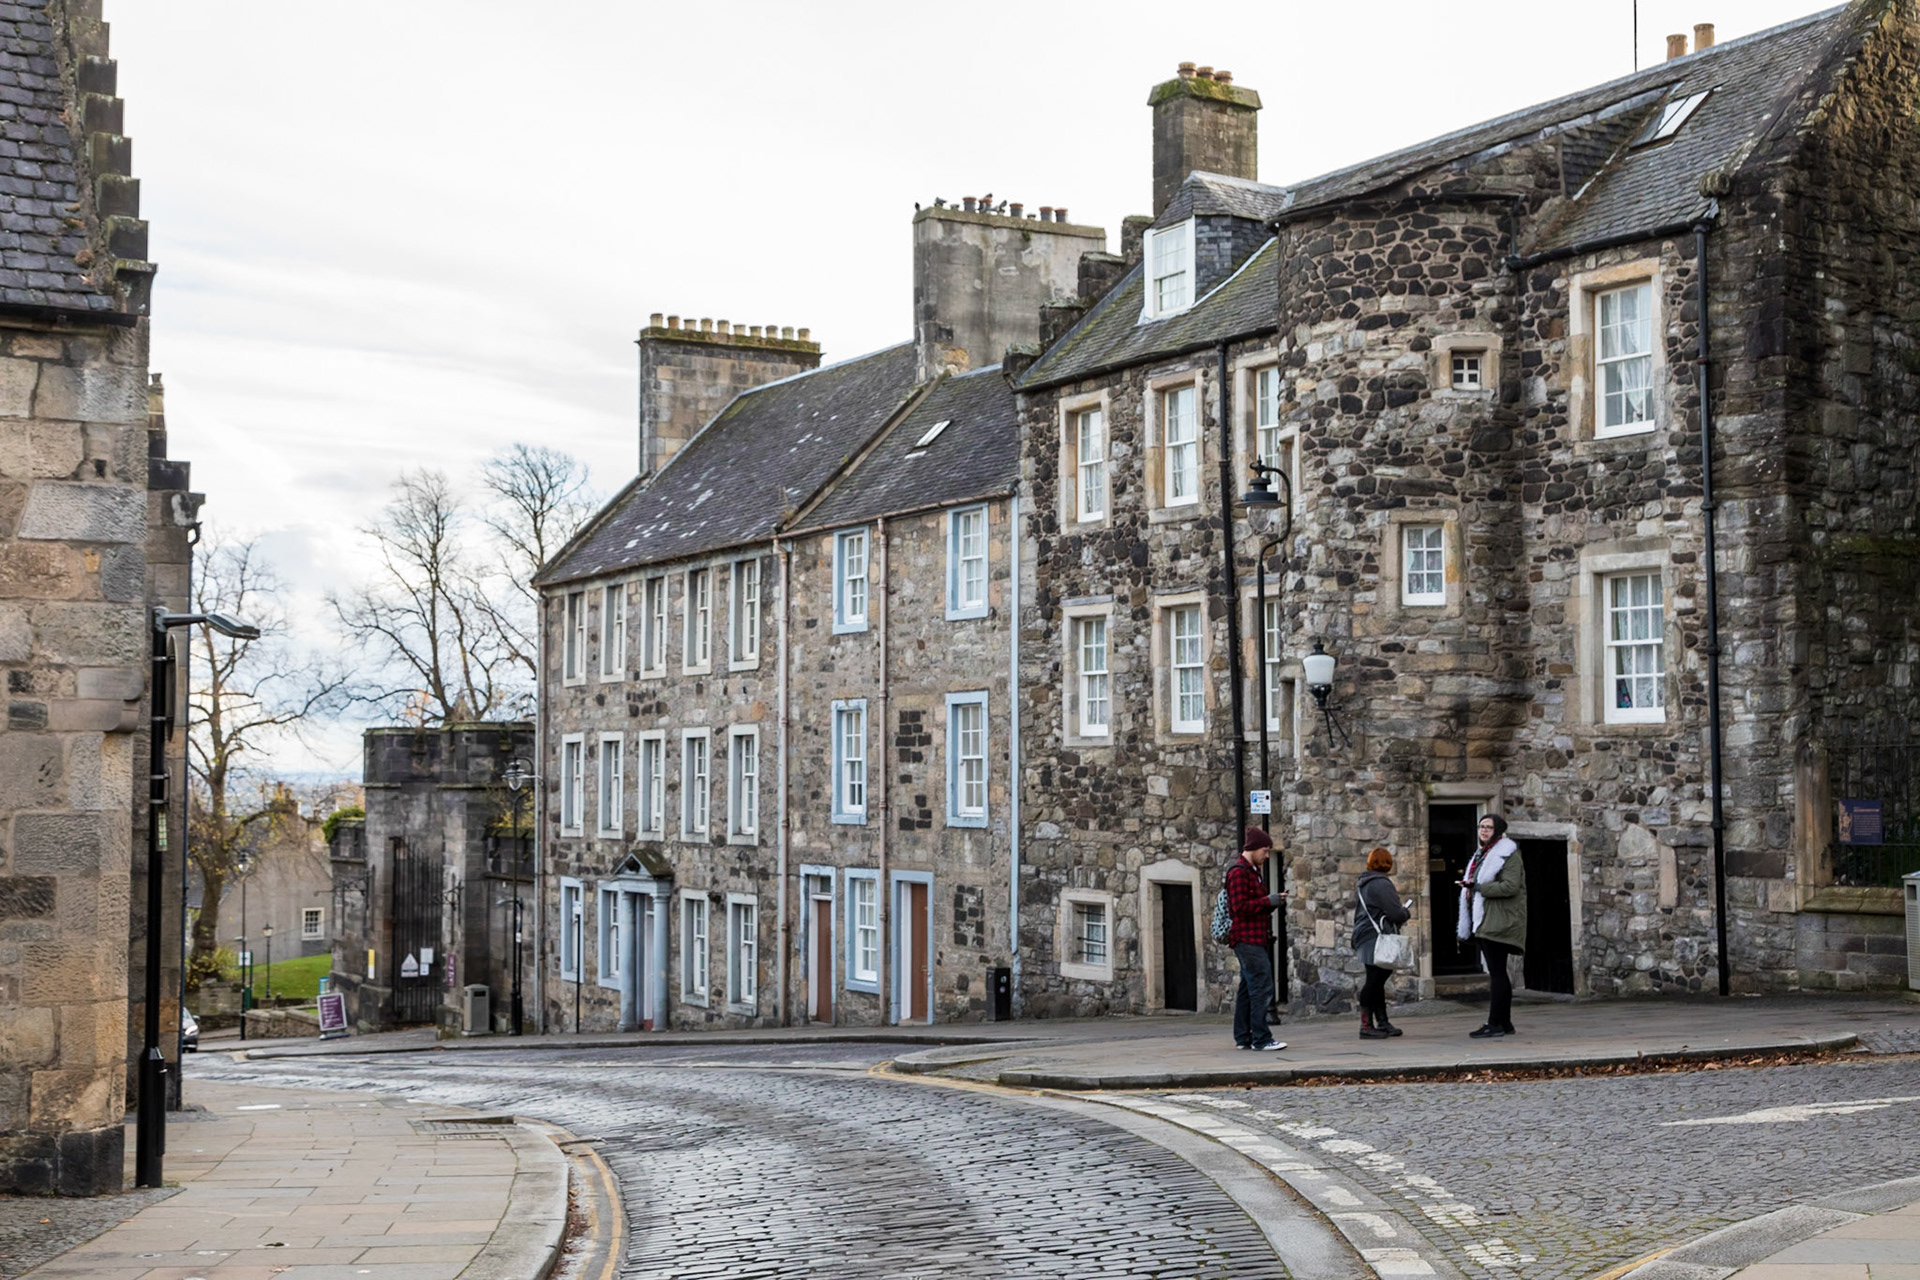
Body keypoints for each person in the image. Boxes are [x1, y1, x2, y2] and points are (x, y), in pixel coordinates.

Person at [1456, 813, 1526, 1039]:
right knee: (1498, 973)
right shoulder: (1482, 854)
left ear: (1498, 831)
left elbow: (1511, 886)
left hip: (1499, 921)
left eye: (1488, 827)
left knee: (1497, 974)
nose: (1483, 831)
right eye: (1481, 827)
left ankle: (1495, 1023)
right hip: (1486, 919)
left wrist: (1478, 887)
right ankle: (1504, 1023)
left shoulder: (1508, 855)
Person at [1227, 826, 1288, 1051]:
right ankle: (1261, 1038)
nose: (1267, 854)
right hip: (1247, 940)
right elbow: (1239, 907)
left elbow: (1254, 905)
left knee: (1247, 989)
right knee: (1261, 987)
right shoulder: (1239, 872)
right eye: (1265, 850)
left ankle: (1243, 1037)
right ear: (1253, 848)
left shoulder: (1253, 870)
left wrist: (1272, 902)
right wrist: (1268, 901)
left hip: (1255, 937)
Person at [1351, 846, 1411, 1039]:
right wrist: (1405, 912)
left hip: (1365, 935)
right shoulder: (1381, 884)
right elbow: (1395, 914)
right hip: (1375, 937)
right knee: (1375, 980)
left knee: (1376, 979)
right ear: (1387, 863)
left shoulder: (1365, 882)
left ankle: (1382, 1023)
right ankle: (1367, 1026)